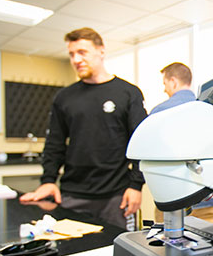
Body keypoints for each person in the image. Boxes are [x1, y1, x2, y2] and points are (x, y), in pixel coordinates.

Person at [19, 27, 147, 230]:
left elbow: (142, 143)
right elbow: (55, 143)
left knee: (117, 255)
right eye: (71, 54)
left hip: (115, 197)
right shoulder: (64, 98)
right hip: (72, 196)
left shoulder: (127, 93)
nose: (76, 59)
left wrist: (136, 185)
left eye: (82, 52)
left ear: (101, 51)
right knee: (71, 255)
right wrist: (48, 180)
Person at [150, 62, 213, 224]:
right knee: (211, 246)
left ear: (173, 81)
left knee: (166, 246)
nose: (164, 89)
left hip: (172, 201)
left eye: (165, 84)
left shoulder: (159, 113)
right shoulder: (212, 109)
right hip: (207, 198)